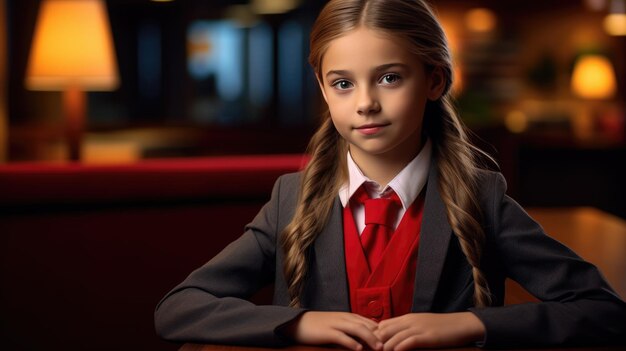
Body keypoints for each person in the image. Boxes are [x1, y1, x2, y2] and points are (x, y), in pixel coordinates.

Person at [155, 0, 626, 349]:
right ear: (323, 88)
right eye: (343, 83)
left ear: (435, 80)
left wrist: (472, 324)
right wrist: (296, 323)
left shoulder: (483, 197)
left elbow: (603, 311)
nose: (365, 103)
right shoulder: (290, 199)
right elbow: (178, 307)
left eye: (389, 78)